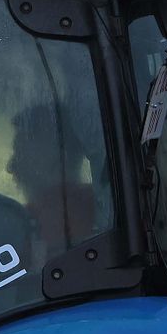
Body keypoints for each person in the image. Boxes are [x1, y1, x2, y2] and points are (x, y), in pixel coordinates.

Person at [7, 103, 109, 257]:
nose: (11, 166)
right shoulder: (105, 206)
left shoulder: (33, 224)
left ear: (60, 158)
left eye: (21, 153)